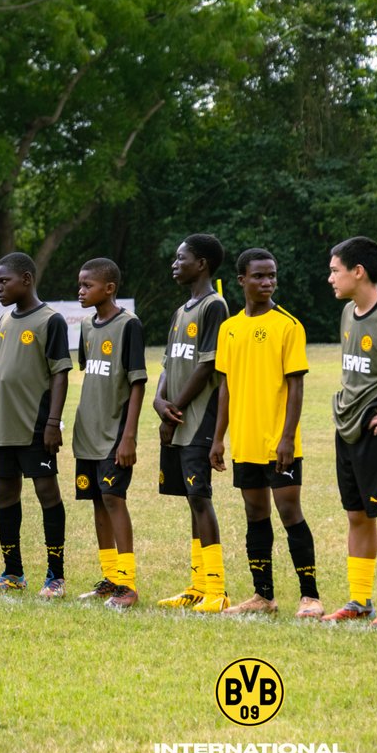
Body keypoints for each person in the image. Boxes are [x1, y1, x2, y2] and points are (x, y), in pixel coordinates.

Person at [209, 248, 322, 618]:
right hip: (245, 441)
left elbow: (296, 386)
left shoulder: (288, 325)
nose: (267, 282)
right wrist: (218, 437)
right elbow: (225, 387)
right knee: (255, 514)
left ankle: (310, 596)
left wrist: (287, 437)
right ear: (242, 280)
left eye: (271, 275)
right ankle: (263, 596)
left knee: (289, 512)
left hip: (279, 442)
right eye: (258, 276)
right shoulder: (229, 328)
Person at [0, 252, 72, 598]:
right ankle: (13, 572)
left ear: (26, 279)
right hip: (4, 425)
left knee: (47, 492)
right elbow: (2, 376)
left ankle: (55, 575)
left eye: (5, 281)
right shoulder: (4, 321)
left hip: (36, 424)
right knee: (5, 494)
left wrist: (53, 422)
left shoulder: (51, 320)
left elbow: (60, 374)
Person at [323, 237, 377, 627]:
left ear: (358, 271)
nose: (330, 278)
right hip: (348, 429)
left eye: (335, 270)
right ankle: (359, 601)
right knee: (356, 515)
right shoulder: (347, 312)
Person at [153, 235, 230, 611]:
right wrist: (158, 400)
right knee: (190, 497)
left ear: (201, 264)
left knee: (200, 496)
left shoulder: (215, 306)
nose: (174, 263)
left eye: (181, 257)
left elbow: (208, 365)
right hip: (177, 416)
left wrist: (176, 409)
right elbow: (169, 363)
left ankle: (217, 589)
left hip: (198, 418)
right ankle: (198, 586)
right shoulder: (181, 310)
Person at [71, 257, 146, 611]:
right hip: (87, 430)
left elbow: (137, 383)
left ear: (109, 288)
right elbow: (91, 372)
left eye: (88, 285)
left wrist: (128, 436)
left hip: (114, 433)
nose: (81, 291)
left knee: (114, 499)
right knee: (97, 501)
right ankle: (110, 579)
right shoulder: (87, 325)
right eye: (80, 285)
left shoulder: (129, 325)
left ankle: (127, 584)